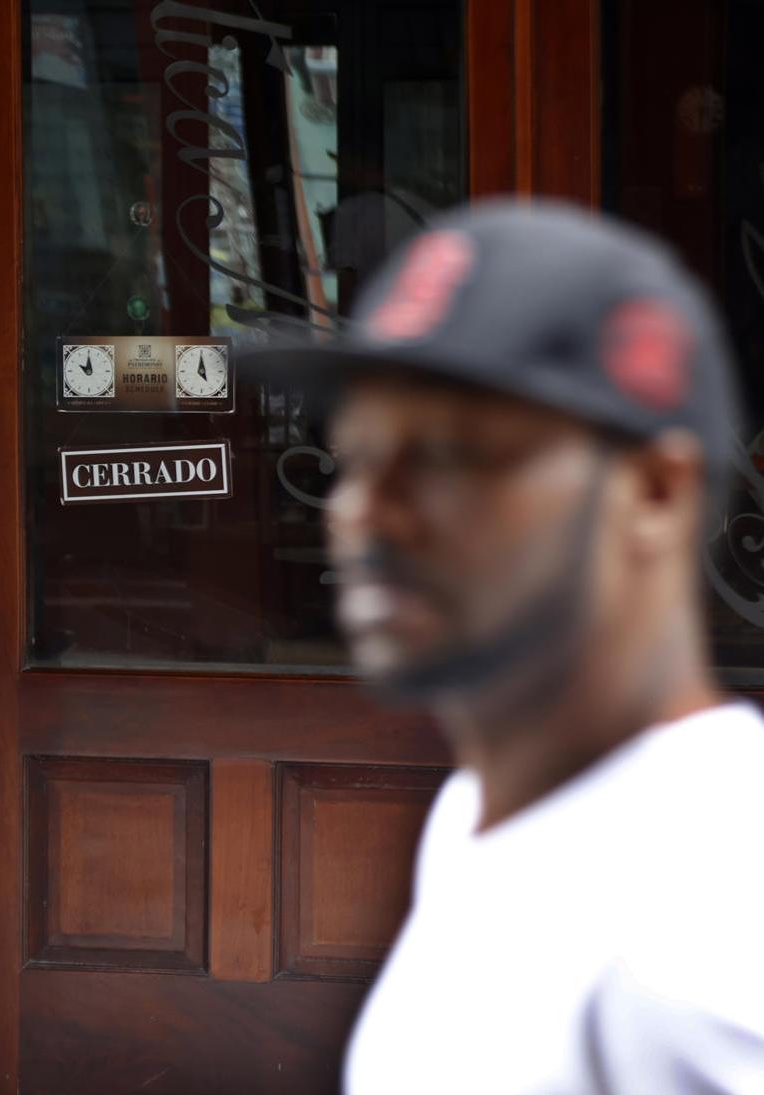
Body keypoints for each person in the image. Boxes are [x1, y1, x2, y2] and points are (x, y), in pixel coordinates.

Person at [249, 200, 764, 1093]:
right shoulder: (479, 809)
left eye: (450, 455)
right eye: (359, 454)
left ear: (651, 491)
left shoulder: (703, 930)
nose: (364, 509)